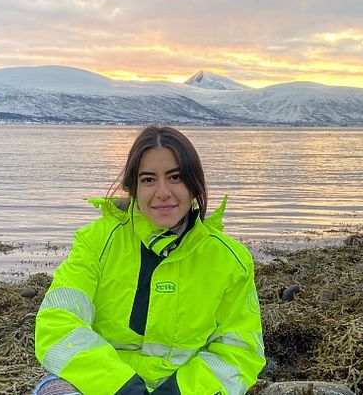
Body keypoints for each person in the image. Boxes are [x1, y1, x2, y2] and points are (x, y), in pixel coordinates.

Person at [33, 125, 265, 394]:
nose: (163, 192)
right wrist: (122, 387)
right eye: (148, 180)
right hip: (102, 386)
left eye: (175, 177)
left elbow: (240, 349)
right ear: (133, 188)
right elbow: (58, 323)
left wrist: (177, 391)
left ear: (194, 184)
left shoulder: (230, 260)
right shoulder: (96, 242)